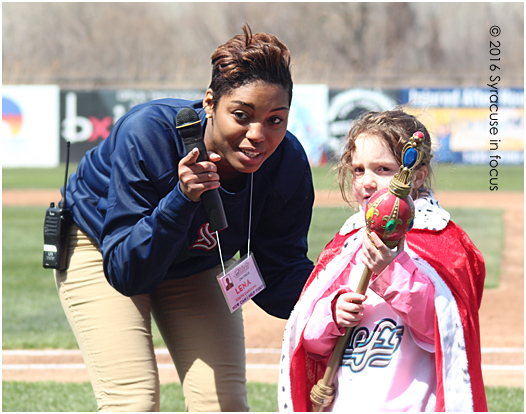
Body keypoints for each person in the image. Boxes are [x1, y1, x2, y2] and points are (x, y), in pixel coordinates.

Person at [54, 25, 315, 412]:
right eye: (241, 115)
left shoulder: (287, 162)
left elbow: (280, 270)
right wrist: (181, 199)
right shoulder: (148, 134)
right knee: (133, 401)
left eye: (275, 119)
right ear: (210, 102)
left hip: (195, 258)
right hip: (106, 248)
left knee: (224, 403)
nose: (258, 134)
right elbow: (128, 271)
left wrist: (337, 296)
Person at [278, 110, 487, 412]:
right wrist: (333, 313)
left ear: (417, 175)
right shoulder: (345, 245)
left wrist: (390, 269)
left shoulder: (442, 241)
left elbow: (439, 330)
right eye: (359, 170)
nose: (367, 182)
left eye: (383, 169)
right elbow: (310, 341)